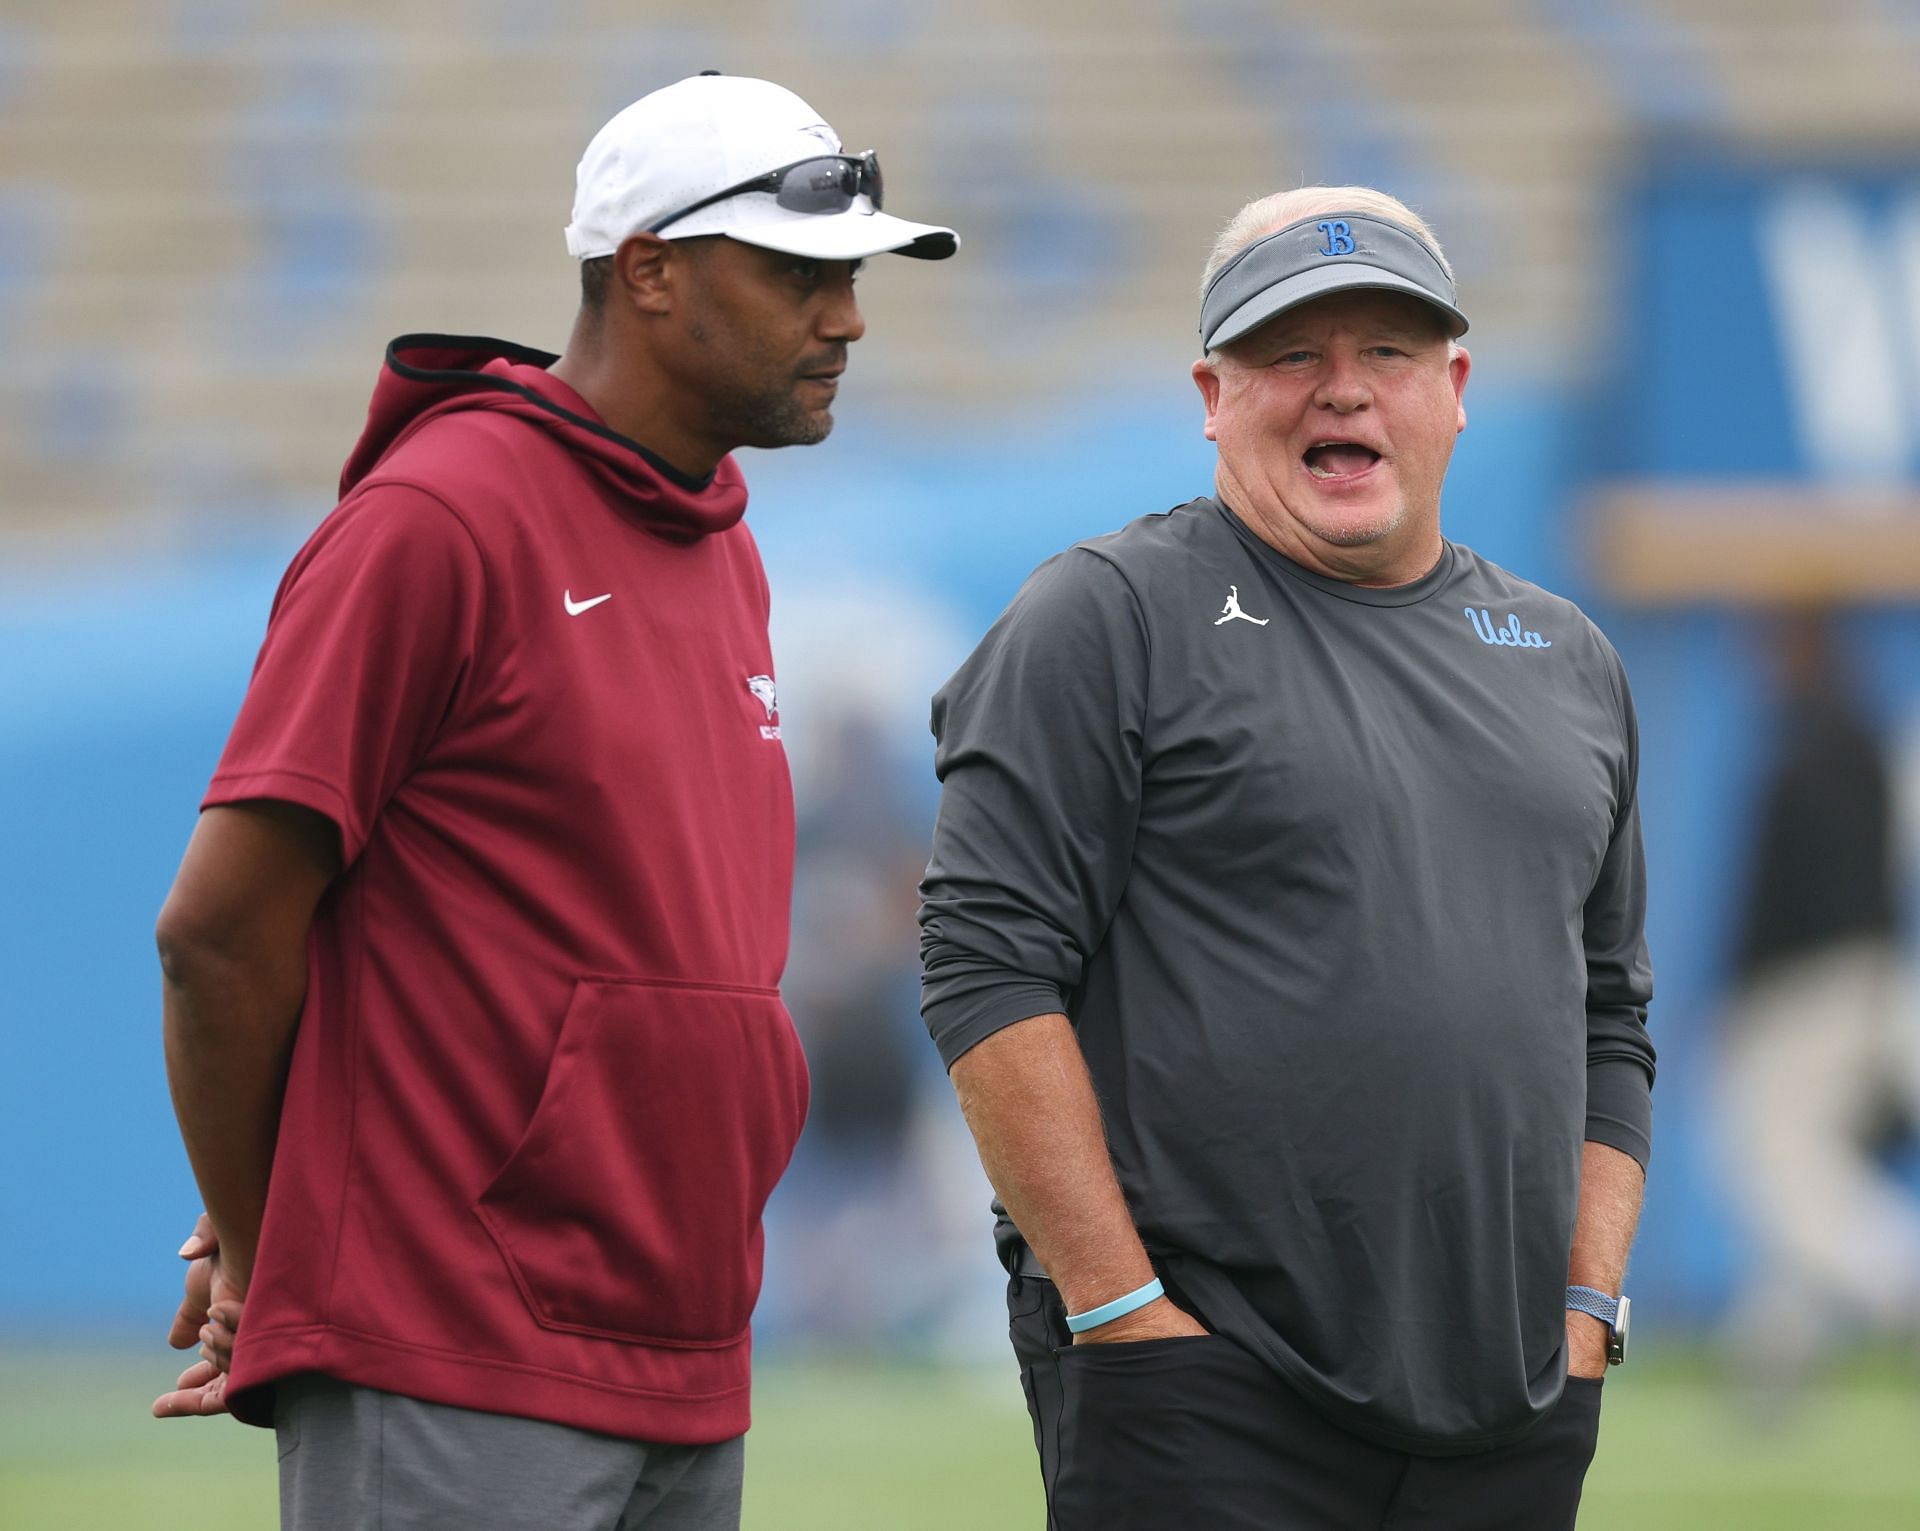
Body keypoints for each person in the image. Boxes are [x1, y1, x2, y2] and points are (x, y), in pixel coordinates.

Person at [150, 72, 954, 1530]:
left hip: (680, 1345)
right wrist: (270, 1246)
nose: (845, 318)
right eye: (799, 274)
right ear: (647, 269)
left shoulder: (722, 541)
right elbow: (219, 930)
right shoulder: (436, 520)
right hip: (452, 1342)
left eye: (850, 278)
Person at [918, 187, 1654, 1529]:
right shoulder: (1110, 614)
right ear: (1213, 391)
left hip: (1512, 1398)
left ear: (1456, 384)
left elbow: (1612, 1011)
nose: (1343, 392)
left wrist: (1588, 1305)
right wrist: (1120, 1307)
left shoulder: (1569, 659)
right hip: (1207, 1388)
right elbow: (984, 964)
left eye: (1386, 351)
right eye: (1290, 352)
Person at [1717, 607, 1920, 1394]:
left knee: (1786, 1166)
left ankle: (1898, 1278)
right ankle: (1773, 1355)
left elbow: (1797, 895)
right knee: (1802, 1167)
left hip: (1809, 993)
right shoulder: (1850, 738)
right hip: (1853, 985)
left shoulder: (1819, 747)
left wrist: (1744, 987)